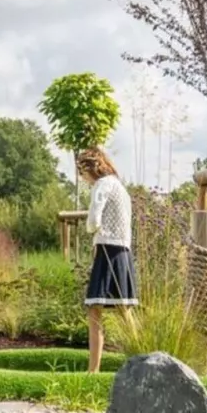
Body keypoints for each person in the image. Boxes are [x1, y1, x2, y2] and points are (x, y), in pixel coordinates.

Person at [77, 147, 135, 374]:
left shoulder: (101, 186)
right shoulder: (119, 186)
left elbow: (93, 219)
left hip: (107, 249)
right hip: (124, 251)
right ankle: (141, 358)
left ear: (88, 169)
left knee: (94, 311)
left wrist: (92, 229)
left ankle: (94, 370)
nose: (83, 179)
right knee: (124, 311)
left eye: (82, 174)